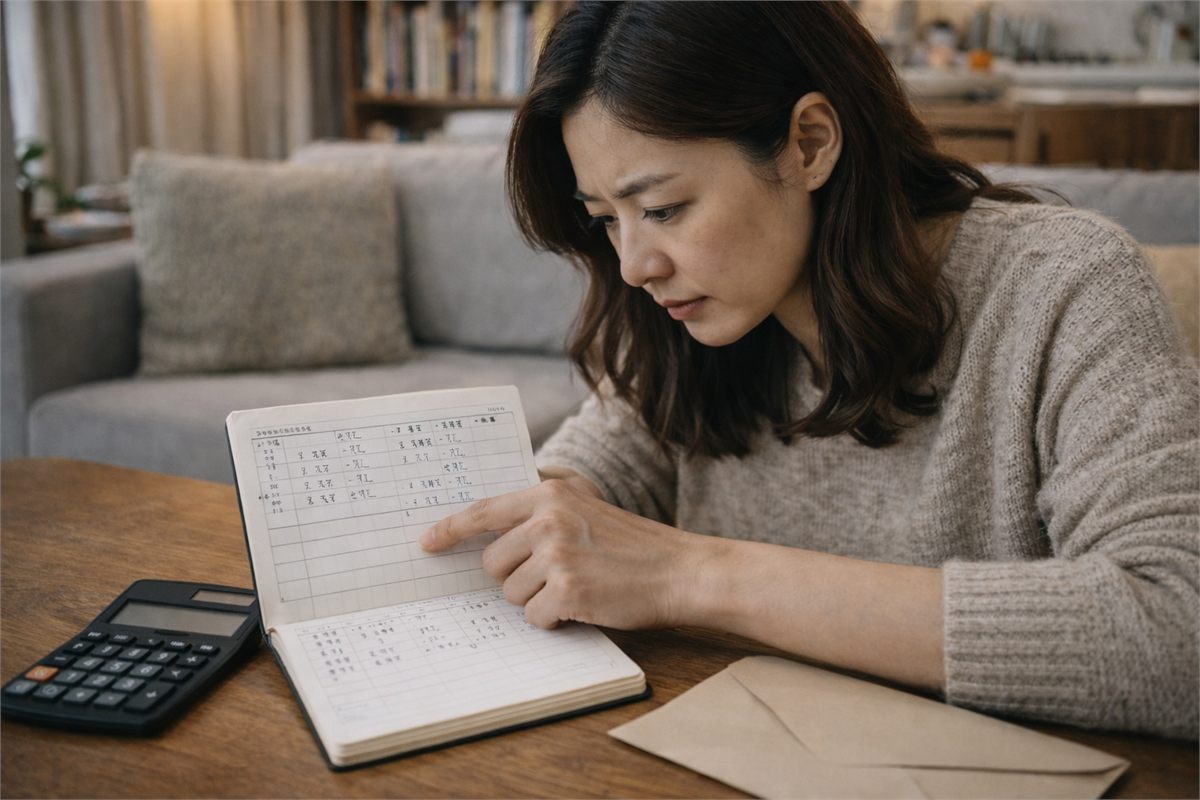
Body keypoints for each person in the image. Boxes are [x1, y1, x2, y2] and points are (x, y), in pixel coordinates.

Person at [421, 1, 1199, 738]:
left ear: (810, 144)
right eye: (604, 220)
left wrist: (691, 575)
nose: (633, 265)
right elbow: (586, 480)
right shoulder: (703, 320)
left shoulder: (1063, 285)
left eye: (661, 209)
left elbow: (1177, 631)